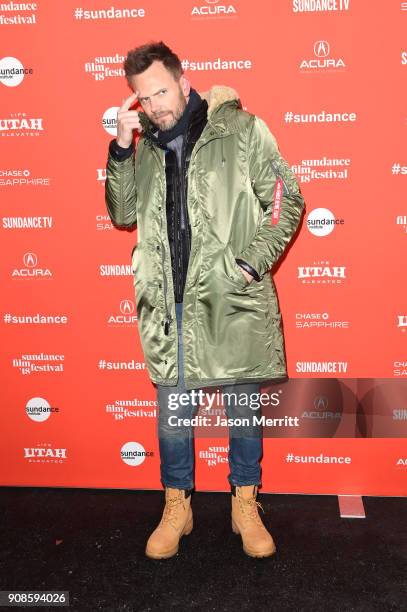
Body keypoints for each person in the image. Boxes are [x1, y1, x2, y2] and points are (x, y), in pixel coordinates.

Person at [105, 41, 305, 559]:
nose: (156, 106)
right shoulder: (143, 144)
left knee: (241, 409)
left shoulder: (239, 129)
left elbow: (287, 197)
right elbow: (122, 212)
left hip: (229, 294)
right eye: (144, 98)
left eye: (162, 91)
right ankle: (178, 505)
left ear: (183, 81)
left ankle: (244, 503)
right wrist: (121, 150)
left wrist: (248, 263)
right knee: (173, 413)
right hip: (168, 301)